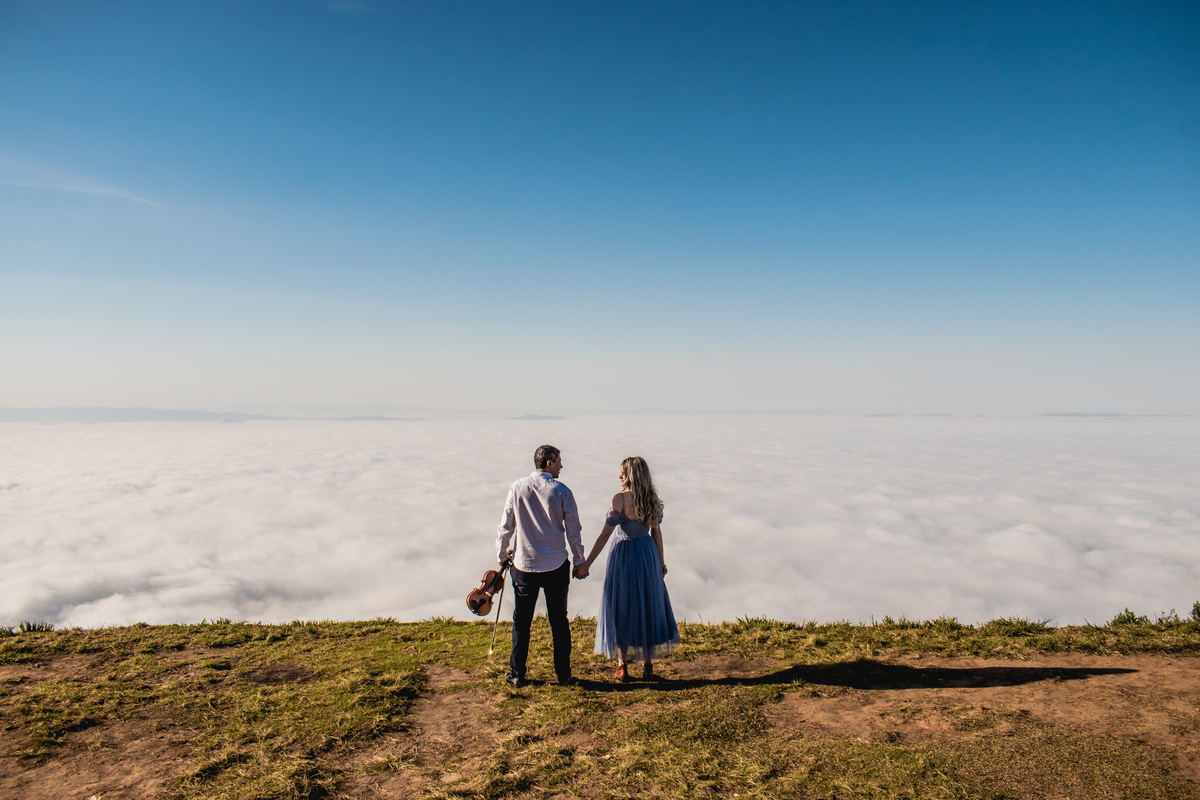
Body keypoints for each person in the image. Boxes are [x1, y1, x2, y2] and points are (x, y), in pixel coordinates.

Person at [576, 456, 679, 682]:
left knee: (621, 606)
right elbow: (657, 533)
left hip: (623, 554)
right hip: (647, 554)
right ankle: (648, 666)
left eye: (622, 472)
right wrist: (661, 563)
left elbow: (605, 534)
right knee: (648, 603)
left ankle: (622, 665)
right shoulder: (651, 499)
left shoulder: (620, 499)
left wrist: (587, 563)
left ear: (631, 475)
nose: (619, 476)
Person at [496, 444, 586, 687]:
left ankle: (516, 674)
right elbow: (573, 531)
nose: (561, 465)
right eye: (558, 461)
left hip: (524, 565)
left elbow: (506, 525)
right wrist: (579, 561)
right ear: (549, 463)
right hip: (556, 565)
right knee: (559, 621)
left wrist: (502, 554)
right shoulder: (562, 491)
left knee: (521, 622)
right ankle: (563, 674)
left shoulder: (517, 487)